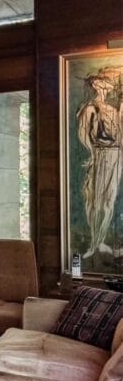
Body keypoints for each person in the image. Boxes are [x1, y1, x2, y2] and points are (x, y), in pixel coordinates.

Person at [76, 66, 123, 259]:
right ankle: (95, 243)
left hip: (116, 156)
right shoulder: (90, 108)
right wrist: (93, 154)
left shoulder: (113, 109)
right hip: (101, 154)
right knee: (96, 201)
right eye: (106, 81)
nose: (110, 85)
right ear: (96, 84)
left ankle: (100, 241)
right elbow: (83, 135)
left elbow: (120, 134)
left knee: (109, 200)